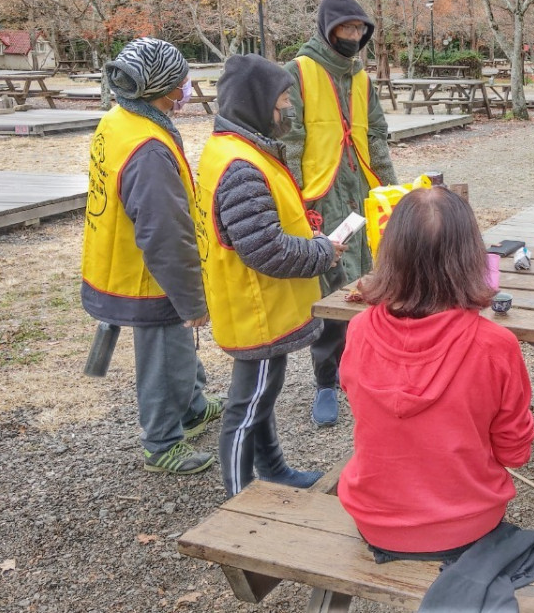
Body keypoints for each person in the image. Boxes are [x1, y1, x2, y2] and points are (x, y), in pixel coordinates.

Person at [338, 187, 534, 558]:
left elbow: (362, 411)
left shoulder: (359, 330)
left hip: (374, 521)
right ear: (471, 257)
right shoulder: (495, 345)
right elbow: (514, 452)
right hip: (468, 524)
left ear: (390, 254)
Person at [195, 54, 346, 497]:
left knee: (263, 395)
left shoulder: (236, 150)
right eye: (282, 100)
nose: (288, 109)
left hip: (256, 305)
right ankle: (239, 500)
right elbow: (265, 248)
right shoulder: (242, 166)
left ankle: (274, 468)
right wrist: (321, 253)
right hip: (256, 309)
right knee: (248, 404)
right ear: (258, 103)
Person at [80, 38, 223, 475]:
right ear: (163, 88)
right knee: (165, 349)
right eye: (181, 80)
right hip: (148, 274)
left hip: (114, 259)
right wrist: (192, 299)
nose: (187, 86)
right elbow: (163, 233)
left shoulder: (119, 119)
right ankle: (162, 441)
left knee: (176, 347)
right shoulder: (149, 149)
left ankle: (194, 406)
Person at [284, 0, 397, 427]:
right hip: (322, 192)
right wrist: (295, 196)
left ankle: (369, 365)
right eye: (345, 28)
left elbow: (379, 136)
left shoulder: (363, 78)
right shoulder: (299, 70)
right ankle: (326, 379)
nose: (352, 36)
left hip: (364, 188)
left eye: (358, 29)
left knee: (377, 276)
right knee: (333, 285)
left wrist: (393, 191)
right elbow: (290, 138)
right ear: (327, 29)